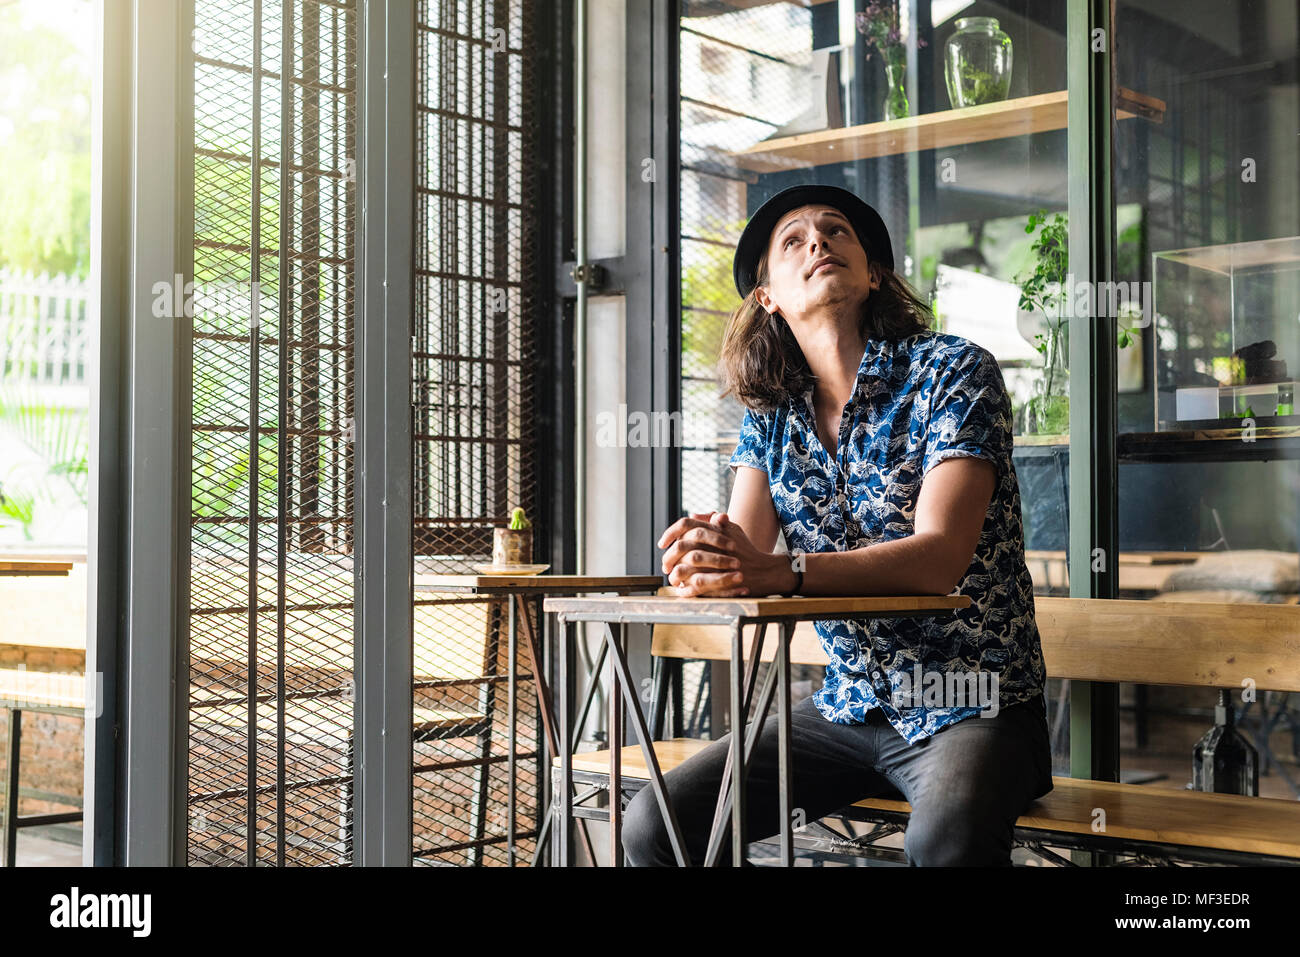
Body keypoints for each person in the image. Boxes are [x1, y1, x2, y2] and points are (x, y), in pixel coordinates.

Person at [622, 183, 1052, 867]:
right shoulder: (771, 415)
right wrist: (707, 555)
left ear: (874, 272)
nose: (818, 240)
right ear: (767, 296)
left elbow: (940, 556)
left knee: (948, 841)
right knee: (654, 823)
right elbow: (745, 556)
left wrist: (779, 570)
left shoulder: (954, 372)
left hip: (972, 701)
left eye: (836, 231)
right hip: (845, 710)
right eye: (792, 240)